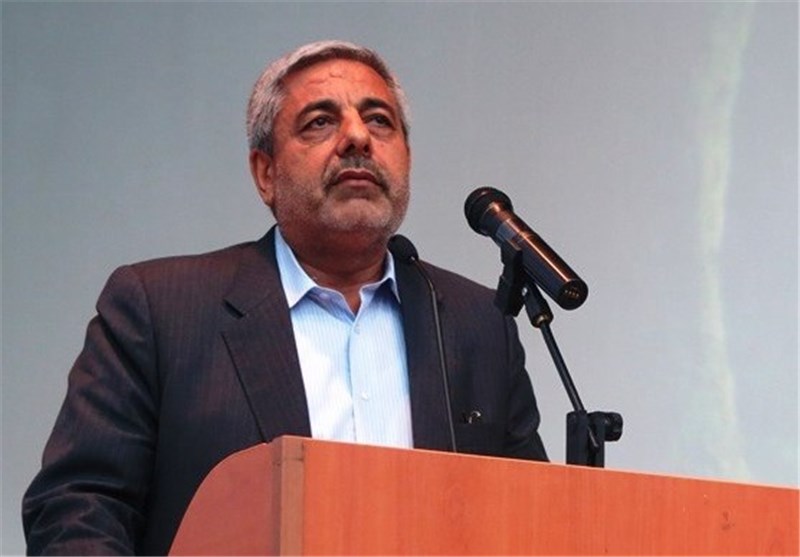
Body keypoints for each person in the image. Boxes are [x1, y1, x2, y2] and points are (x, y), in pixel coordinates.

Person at [22, 40, 548, 555]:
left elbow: (533, 518)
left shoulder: (477, 324)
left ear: (407, 159)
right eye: (320, 122)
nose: (357, 138)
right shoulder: (160, 310)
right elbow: (76, 508)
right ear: (265, 173)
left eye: (379, 120)